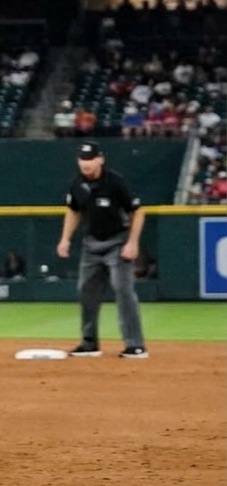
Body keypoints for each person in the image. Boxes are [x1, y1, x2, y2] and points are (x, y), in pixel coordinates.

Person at [57, 141, 148, 359]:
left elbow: (138, 211)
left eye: (90, 159)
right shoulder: (77, 183)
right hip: (91, 244)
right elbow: (73, 211)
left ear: (100, 159)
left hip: (117, 242)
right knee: (86, 291)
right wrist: (65, 239)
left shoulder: (115, 182)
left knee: (123, 289)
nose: (85, 163)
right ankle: (89, 343)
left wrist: (132, 243)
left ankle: (135, 345)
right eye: (82, 159)